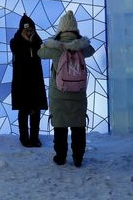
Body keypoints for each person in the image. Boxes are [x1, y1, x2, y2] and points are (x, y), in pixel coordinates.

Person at [38, 10, 95, 167]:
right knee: (78, 127)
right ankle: (78, 157)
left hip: (59, 93)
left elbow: (39, 53)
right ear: (75, 28)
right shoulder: (82, 47)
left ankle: (60, 157)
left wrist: (51, 41)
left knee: (60, 126)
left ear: (61, 28)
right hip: (79, 93)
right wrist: (80, 40)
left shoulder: (55, 47)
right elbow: (91, 50)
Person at [9, 13, 48, 147]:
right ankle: (24, 137)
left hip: (35, 81)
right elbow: (16, 49)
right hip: (21, 81)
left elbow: (43, 52)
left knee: (35, 109)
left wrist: (33, 40)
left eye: (31, 29)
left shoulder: (37, 41)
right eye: (26, 30)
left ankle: (35, 138)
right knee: (23, 109)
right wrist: (26, 40)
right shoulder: (15, 41)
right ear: (21, 30)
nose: (29, 32)